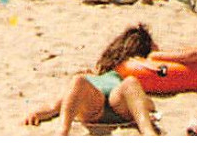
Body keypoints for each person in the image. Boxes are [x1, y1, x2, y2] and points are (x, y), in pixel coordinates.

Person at [25, 25, 161, 135]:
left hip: (118, 100)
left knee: (130, 82)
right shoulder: (89, 78)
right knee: (78, 80)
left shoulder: (126, 78)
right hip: (95, 103)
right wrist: (37, 113)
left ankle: (148, 133)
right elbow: (56, 105)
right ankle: (63, 131)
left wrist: (146, 105)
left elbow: (146, 103)